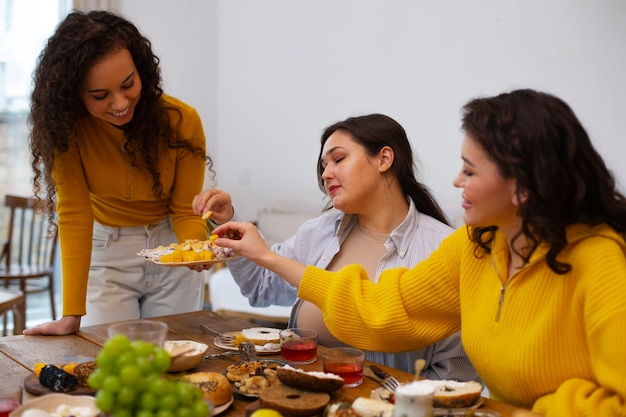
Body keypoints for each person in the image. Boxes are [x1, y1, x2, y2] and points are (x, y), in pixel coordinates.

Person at [211, 89, 626, 415]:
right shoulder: (475, 247)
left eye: (470, 169)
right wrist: (269, 257)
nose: (456, 180)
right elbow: (384, 308)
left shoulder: (603, 261)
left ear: (523, 184)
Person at [194, 114, 479, 381]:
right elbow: (260, 286)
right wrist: (229, 220)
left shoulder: (440, 247)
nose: (326, 173)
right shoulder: (320, 231)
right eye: (323, 166)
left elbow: (456, 372)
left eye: (338, 159)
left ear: (384, 159)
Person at [24, 10, 213, 336]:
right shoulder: (67, 131)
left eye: (128, 84)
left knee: (176, 358)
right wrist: (71, 313)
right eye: (100, 96)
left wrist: (199, 250)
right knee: (111, 359)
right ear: (75, 93)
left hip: (169, 249)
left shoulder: (182, 121)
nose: (121, 103)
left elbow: (183, 210)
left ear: (141, 69)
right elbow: (74, 213)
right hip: (107, 253)